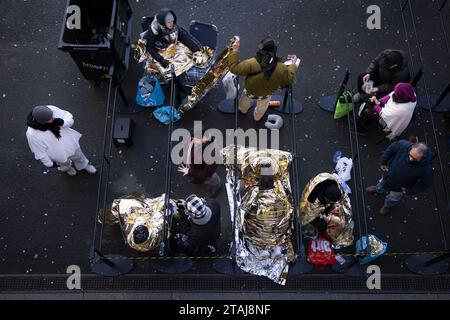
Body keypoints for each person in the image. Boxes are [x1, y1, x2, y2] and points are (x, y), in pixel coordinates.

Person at [229, 36, 298, 121]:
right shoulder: (281, 67)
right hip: (266, 93)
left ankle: (243, 110)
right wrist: (293, 65)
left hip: (250, 89)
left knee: (244, 101)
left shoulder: (252, 63)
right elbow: (290, 78)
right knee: (262, 106)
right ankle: (257, 117)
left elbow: (234, 68)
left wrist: (235, 50)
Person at [366, 141, 433, 215]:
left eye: (414, 159)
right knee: (381, 185)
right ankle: (378, 189)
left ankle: (387, 206)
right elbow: (390, 149)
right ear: (412, 147)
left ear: (423, 157)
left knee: (393, 198)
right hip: (388, 176)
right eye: (410, 155)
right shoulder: (402, 145)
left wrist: (410, 191)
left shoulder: (426, 169)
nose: (410, 159)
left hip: (400, 187)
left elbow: (425, 184)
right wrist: (383, 162)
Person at [26, 105, 96, 176]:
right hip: (56, 153)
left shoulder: (51, 109)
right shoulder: (32, 134)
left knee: (78, 156)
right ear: (41, 122)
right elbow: (39, 151)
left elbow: (69, 117)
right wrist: (49, 163)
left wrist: (63, 123)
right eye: (50, 119)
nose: (53, 118)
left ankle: (84, 165)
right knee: (63, 163)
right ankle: (67, 168)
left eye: (52, 115)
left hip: (70, 143)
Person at [177, 129, 221, 197]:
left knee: (213, 181)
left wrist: (190, 172)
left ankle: (214, 189)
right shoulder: (192, 140)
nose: (194, 140)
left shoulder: (211, 153)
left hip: (203, 173)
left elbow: (207, 173)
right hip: (193, 168)